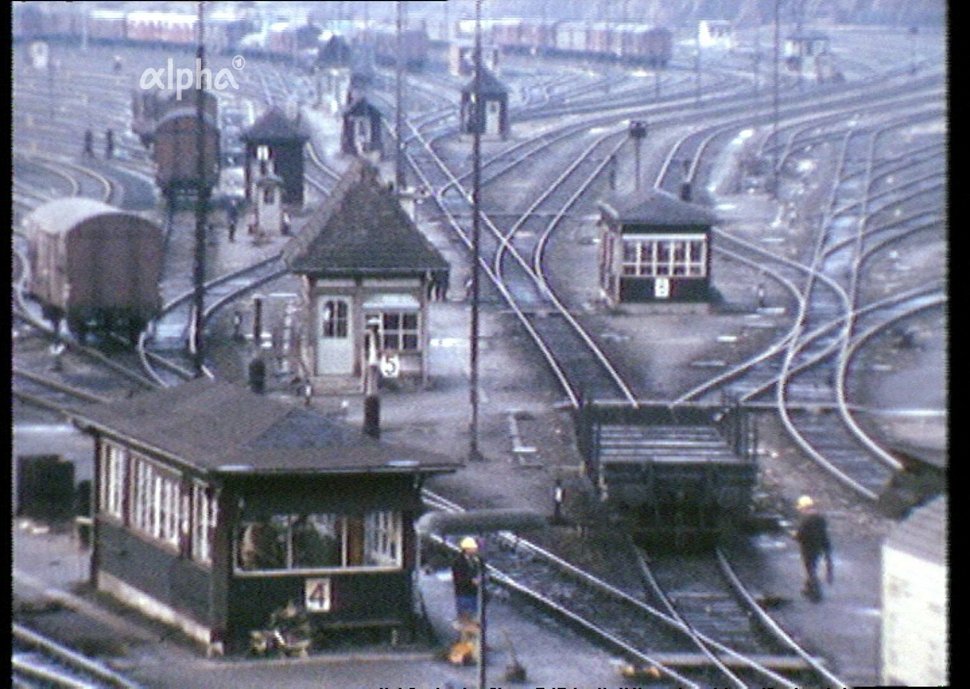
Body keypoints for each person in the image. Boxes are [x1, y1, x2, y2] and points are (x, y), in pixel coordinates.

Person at [794, 495, 834, 602]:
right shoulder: (820, 518)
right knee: (813, 566)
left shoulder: (806, 520)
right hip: (819, 546)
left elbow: (800, 534)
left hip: (807, 547)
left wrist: (794, 536)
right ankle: (809, 587)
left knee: (810, 568)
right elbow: (824, 533)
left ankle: (814, 590)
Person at [451, 536, 484, 623]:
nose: (475, 550)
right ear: (466, 549)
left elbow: (483, 570)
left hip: (474, 593)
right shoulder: (458, 562)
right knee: (464, 617)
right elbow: (458, 578)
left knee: (474, 617)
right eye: (473, 548)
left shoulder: (477, 560)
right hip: (463, 593)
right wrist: (471, 581)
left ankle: (473, 634)